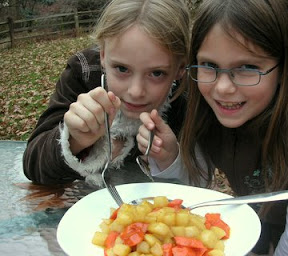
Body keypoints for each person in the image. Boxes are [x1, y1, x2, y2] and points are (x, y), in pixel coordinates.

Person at [137, 0, 288, 255]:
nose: (223, 88)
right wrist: (169, 157)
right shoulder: (210, 113)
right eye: (209, 65)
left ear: (286, 66)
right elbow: (195, 191)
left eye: (247, 68)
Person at [23, 0, 190, 187]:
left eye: (157, 73)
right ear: (103, 55)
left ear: (180, 68)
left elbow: (197, 183)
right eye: (121, 68)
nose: (135, 91)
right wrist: (74, 140)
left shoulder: (185, 99)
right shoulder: (83, 74)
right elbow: (32, 165)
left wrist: (172, 161)